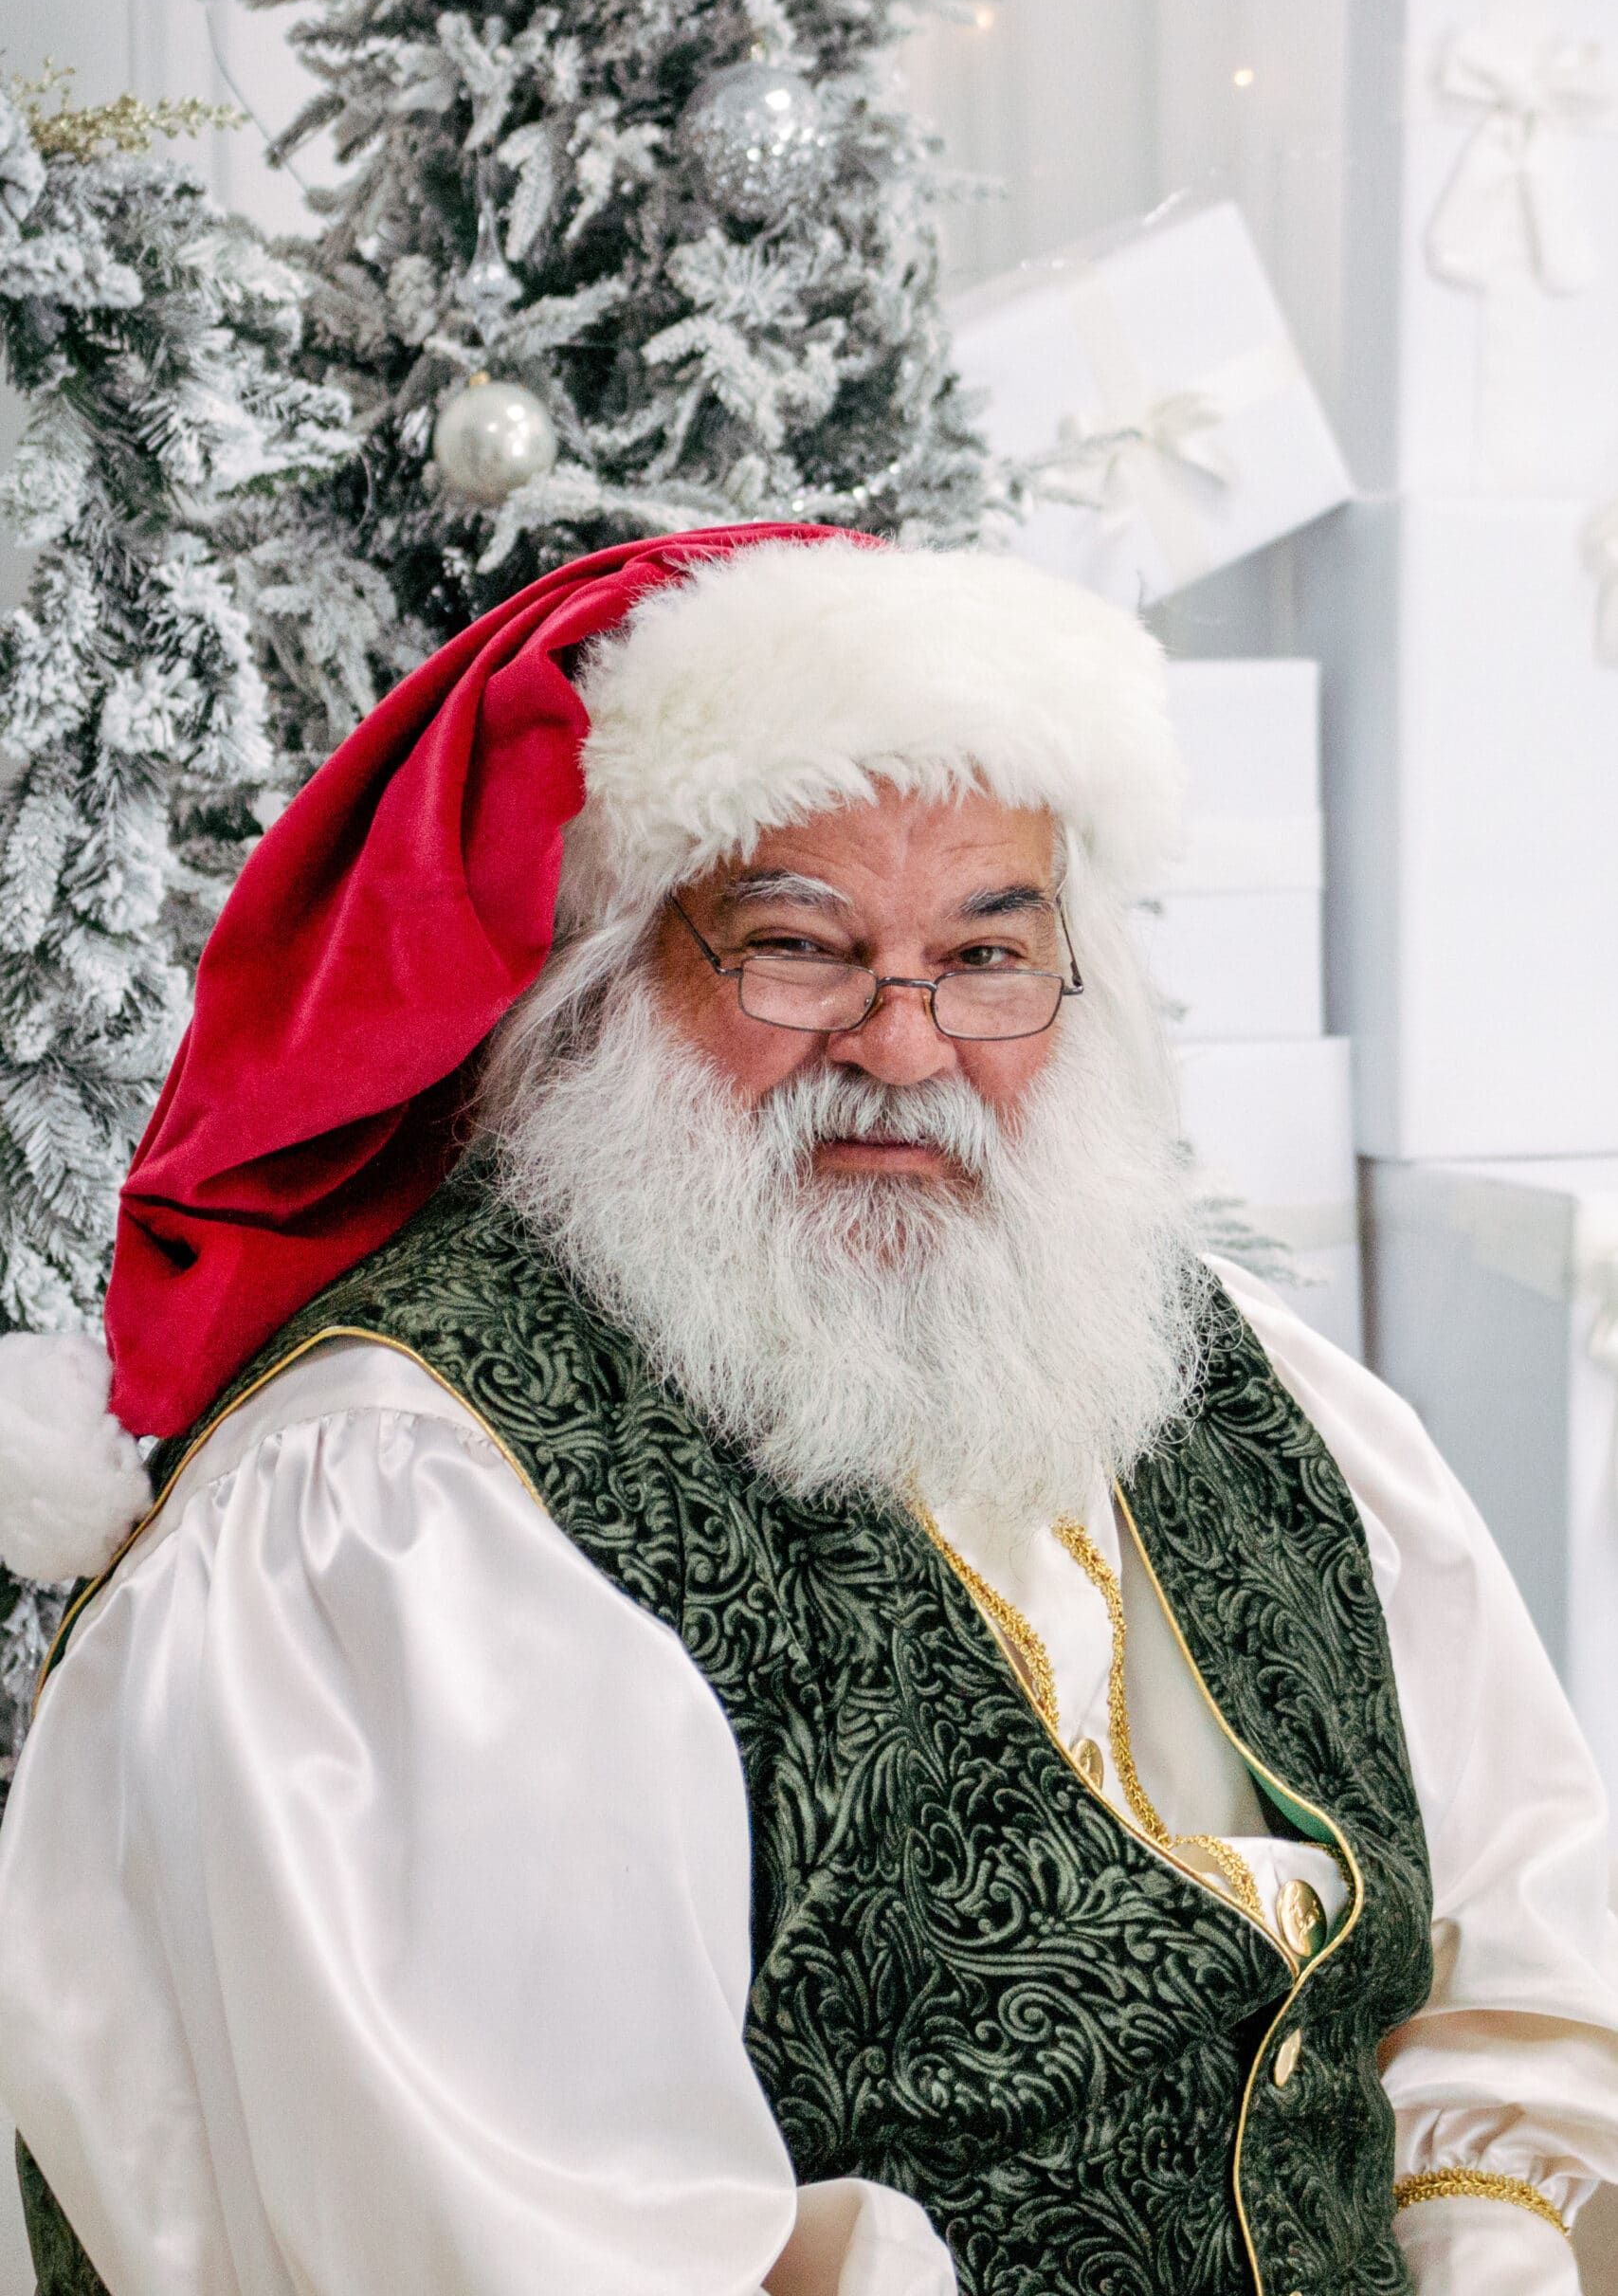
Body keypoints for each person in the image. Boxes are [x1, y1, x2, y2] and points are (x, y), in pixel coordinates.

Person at [0, 525, 1614, 2296]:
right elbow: (544, 2245)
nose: (905, 1047)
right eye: (797, 948)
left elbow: (1516, 1969)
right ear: (605, 984)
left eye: (989, 958)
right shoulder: (410, 1513)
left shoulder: (1231, 1388)